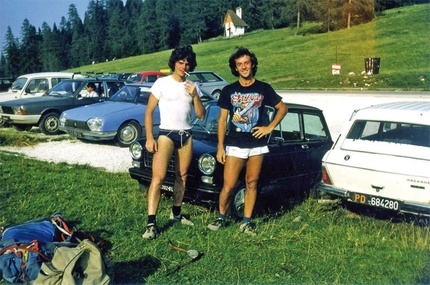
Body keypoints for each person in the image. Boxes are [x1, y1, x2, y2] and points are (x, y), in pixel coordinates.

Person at [207, 47, 288, 235]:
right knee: (228, 186)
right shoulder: (229, 90)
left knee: (252, 183)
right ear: (235, 68)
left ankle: (247, 221)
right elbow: (222, 120)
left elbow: (283, 108)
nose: (243, 67)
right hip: (235, 144)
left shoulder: (264, 88)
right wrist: (220, 146)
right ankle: (221, 218)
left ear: (252, 64)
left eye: (246, 63)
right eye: (239, 64)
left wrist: (269, 128)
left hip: (257, 146)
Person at [142, 45, 206, 240]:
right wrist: (150, 138)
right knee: (158, 178)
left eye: (187, 63)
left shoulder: (193, 86)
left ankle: (176, 213)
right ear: (174, 63)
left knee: (182, 176)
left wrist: (195, 95)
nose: (184, 66)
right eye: (180, 62)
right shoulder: (162, 83)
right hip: (166, 134)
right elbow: (149, 112)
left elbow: (201, 116)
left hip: (186, 134)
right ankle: (151, 223)